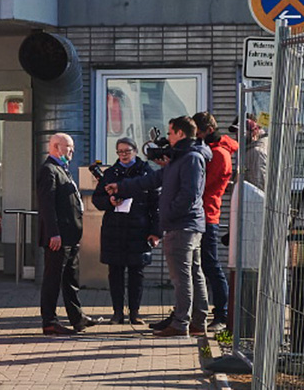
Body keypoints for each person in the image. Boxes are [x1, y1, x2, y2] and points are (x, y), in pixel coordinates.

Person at [110, 116, 209, 337]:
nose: (168, 137)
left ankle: (182, 323)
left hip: (182, 226)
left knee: (182, 277)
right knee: (193, 273)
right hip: (186, 224)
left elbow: (189, 195)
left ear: (181, 134)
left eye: (171, 132)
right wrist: (121, 186)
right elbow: (152, 180)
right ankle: (197, 322)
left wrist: (169, 215)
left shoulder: (190, 158)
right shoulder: (180, 158)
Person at [97, 138, 159, 325]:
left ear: (135, 151)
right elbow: (97, 199)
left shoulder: (146, 173)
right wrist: (109, 202)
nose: (123, 155)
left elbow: (156, 205)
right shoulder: (109, 174)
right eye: (120, 152)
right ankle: (117, 312)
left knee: (136, 273)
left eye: (127, 151)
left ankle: (135, 313)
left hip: (139, 229)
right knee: (114, 272)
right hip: (114, 229)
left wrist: (156, 231)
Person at [37, 132, 87, 334]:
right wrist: (53, 233)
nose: (72, 151)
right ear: (56, 147)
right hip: (59, 237)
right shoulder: (49, 170)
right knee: (53, 279)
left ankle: (78, 318)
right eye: (68, 147)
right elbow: (47, 205)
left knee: (70, 279)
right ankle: (49, 321)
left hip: (70, 235)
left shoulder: (62, 169)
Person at [195, 111, 238, 328]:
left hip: (207, 214)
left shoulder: (219, 154)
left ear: (208, 131)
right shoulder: (210, 151)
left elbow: (203, 185)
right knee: (196, 266)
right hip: (200, 214)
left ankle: (222, 314)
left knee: (211, 265)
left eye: (197, 133)